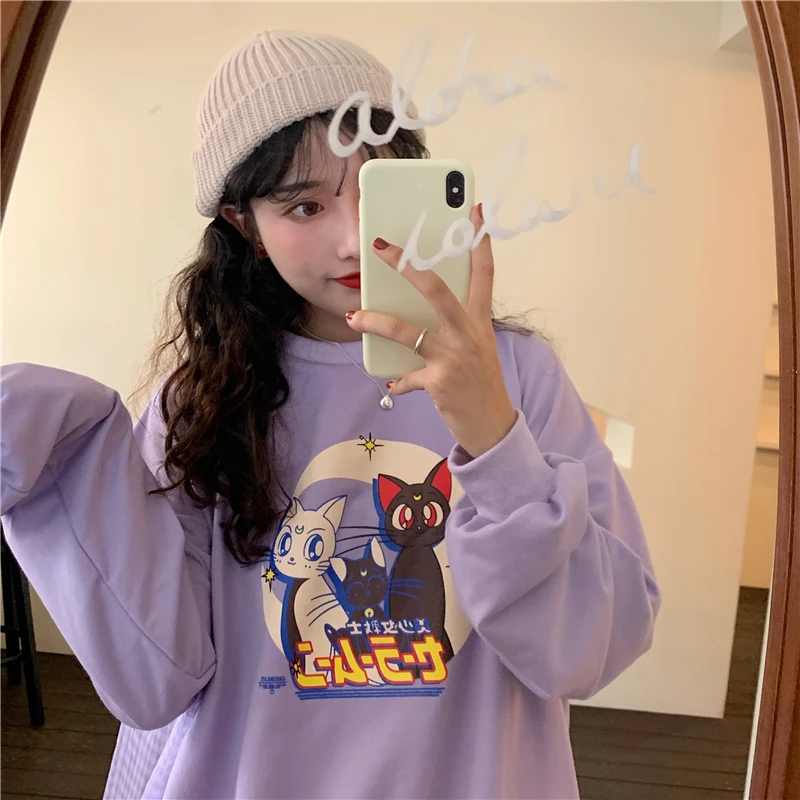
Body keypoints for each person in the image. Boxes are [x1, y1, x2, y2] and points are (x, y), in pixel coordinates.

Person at [0, 29, 661, 800]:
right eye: (305, 205)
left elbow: (595, 647)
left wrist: (496, 439)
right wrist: (61, 452)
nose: (353, 239)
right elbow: (157, 676)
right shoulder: (204, 397)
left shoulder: (517, 376)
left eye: (375, 189)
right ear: (244, 225)